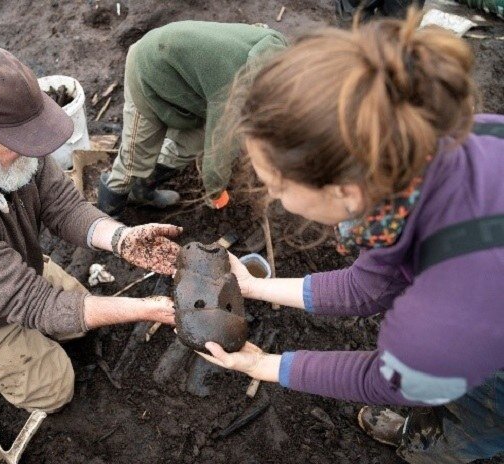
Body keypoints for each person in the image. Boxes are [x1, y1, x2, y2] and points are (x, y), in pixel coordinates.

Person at [198, 11, 504, 463]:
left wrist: (262, 364)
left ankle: (438, 444)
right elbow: (369, 285)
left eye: (278, 187)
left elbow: (385, 382)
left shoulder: (443, 319)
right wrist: (254, 287)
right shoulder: (429, 141)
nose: (273, 198)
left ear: (344, 190)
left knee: (471, 427)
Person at [0, 43, 181, 413]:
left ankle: (41, 328)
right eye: (19, 142)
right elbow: (32, 301)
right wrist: (147, 308)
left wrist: (121, 239)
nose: (34, 152)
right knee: (56, 389)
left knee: (77, 320)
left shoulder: (2, 151)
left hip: (14, 270)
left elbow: (63, 203)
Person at [97, 20, 288, 215]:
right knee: (136, 157)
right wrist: (215, 192)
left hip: (184, 79)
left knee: (191, 143)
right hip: (147, 68)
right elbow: (219, 147)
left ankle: (142, 191)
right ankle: (108, 215)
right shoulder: (238, 90)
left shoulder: (279, 51)